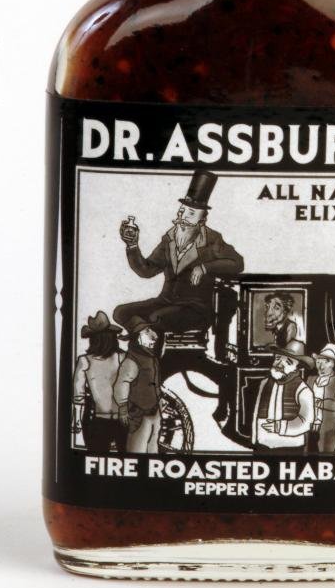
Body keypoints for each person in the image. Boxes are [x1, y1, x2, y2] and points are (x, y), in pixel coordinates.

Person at [114, 170, 244, 336]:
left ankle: (143, 336)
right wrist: (132, 245)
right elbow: (146, 270)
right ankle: (143, 335)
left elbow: (238, 263)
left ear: (202, 221)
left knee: (157, 318)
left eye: (191, 213)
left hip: (195, 309)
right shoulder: (169, 239)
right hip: (165, 302)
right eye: (182, 210)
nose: (182, 216)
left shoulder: (212, 240)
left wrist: (204, 267)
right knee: (121, 312)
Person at [72, 311, 127, 453]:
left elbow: (78, 395)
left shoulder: (84, 360)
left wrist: (76, 419)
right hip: (123, 418)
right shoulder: (122, 358)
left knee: (96, 457)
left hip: (96, 420)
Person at [252, 341, 315, 454]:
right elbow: (256, 413)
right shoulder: (264, 383)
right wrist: (254, 439)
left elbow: (306, 421)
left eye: (288, 362)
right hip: (262, 446)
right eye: (278, 358)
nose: (280, 364)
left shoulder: (303, 390)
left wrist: (280, 427)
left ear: (296, 367)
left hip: (290, 448)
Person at [114, 318, 164, 453]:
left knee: (153, 449)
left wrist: (159, 398)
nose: (154, 336)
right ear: (137, 337)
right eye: (147, 331)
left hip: (154, 412)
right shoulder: (132, 361)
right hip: (138, 414)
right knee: (137, 451)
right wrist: (123, 407)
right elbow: (121, 384)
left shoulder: (151, 358)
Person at [307, 344, 335, 452]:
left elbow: (333, 405)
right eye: (318, 362)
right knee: (307, 452)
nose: (321, 366)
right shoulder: (310, 379)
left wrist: (315, 402)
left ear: (333, 364)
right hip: (309, 424)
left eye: (326, 362)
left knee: (325, 452)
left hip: (327, 425)